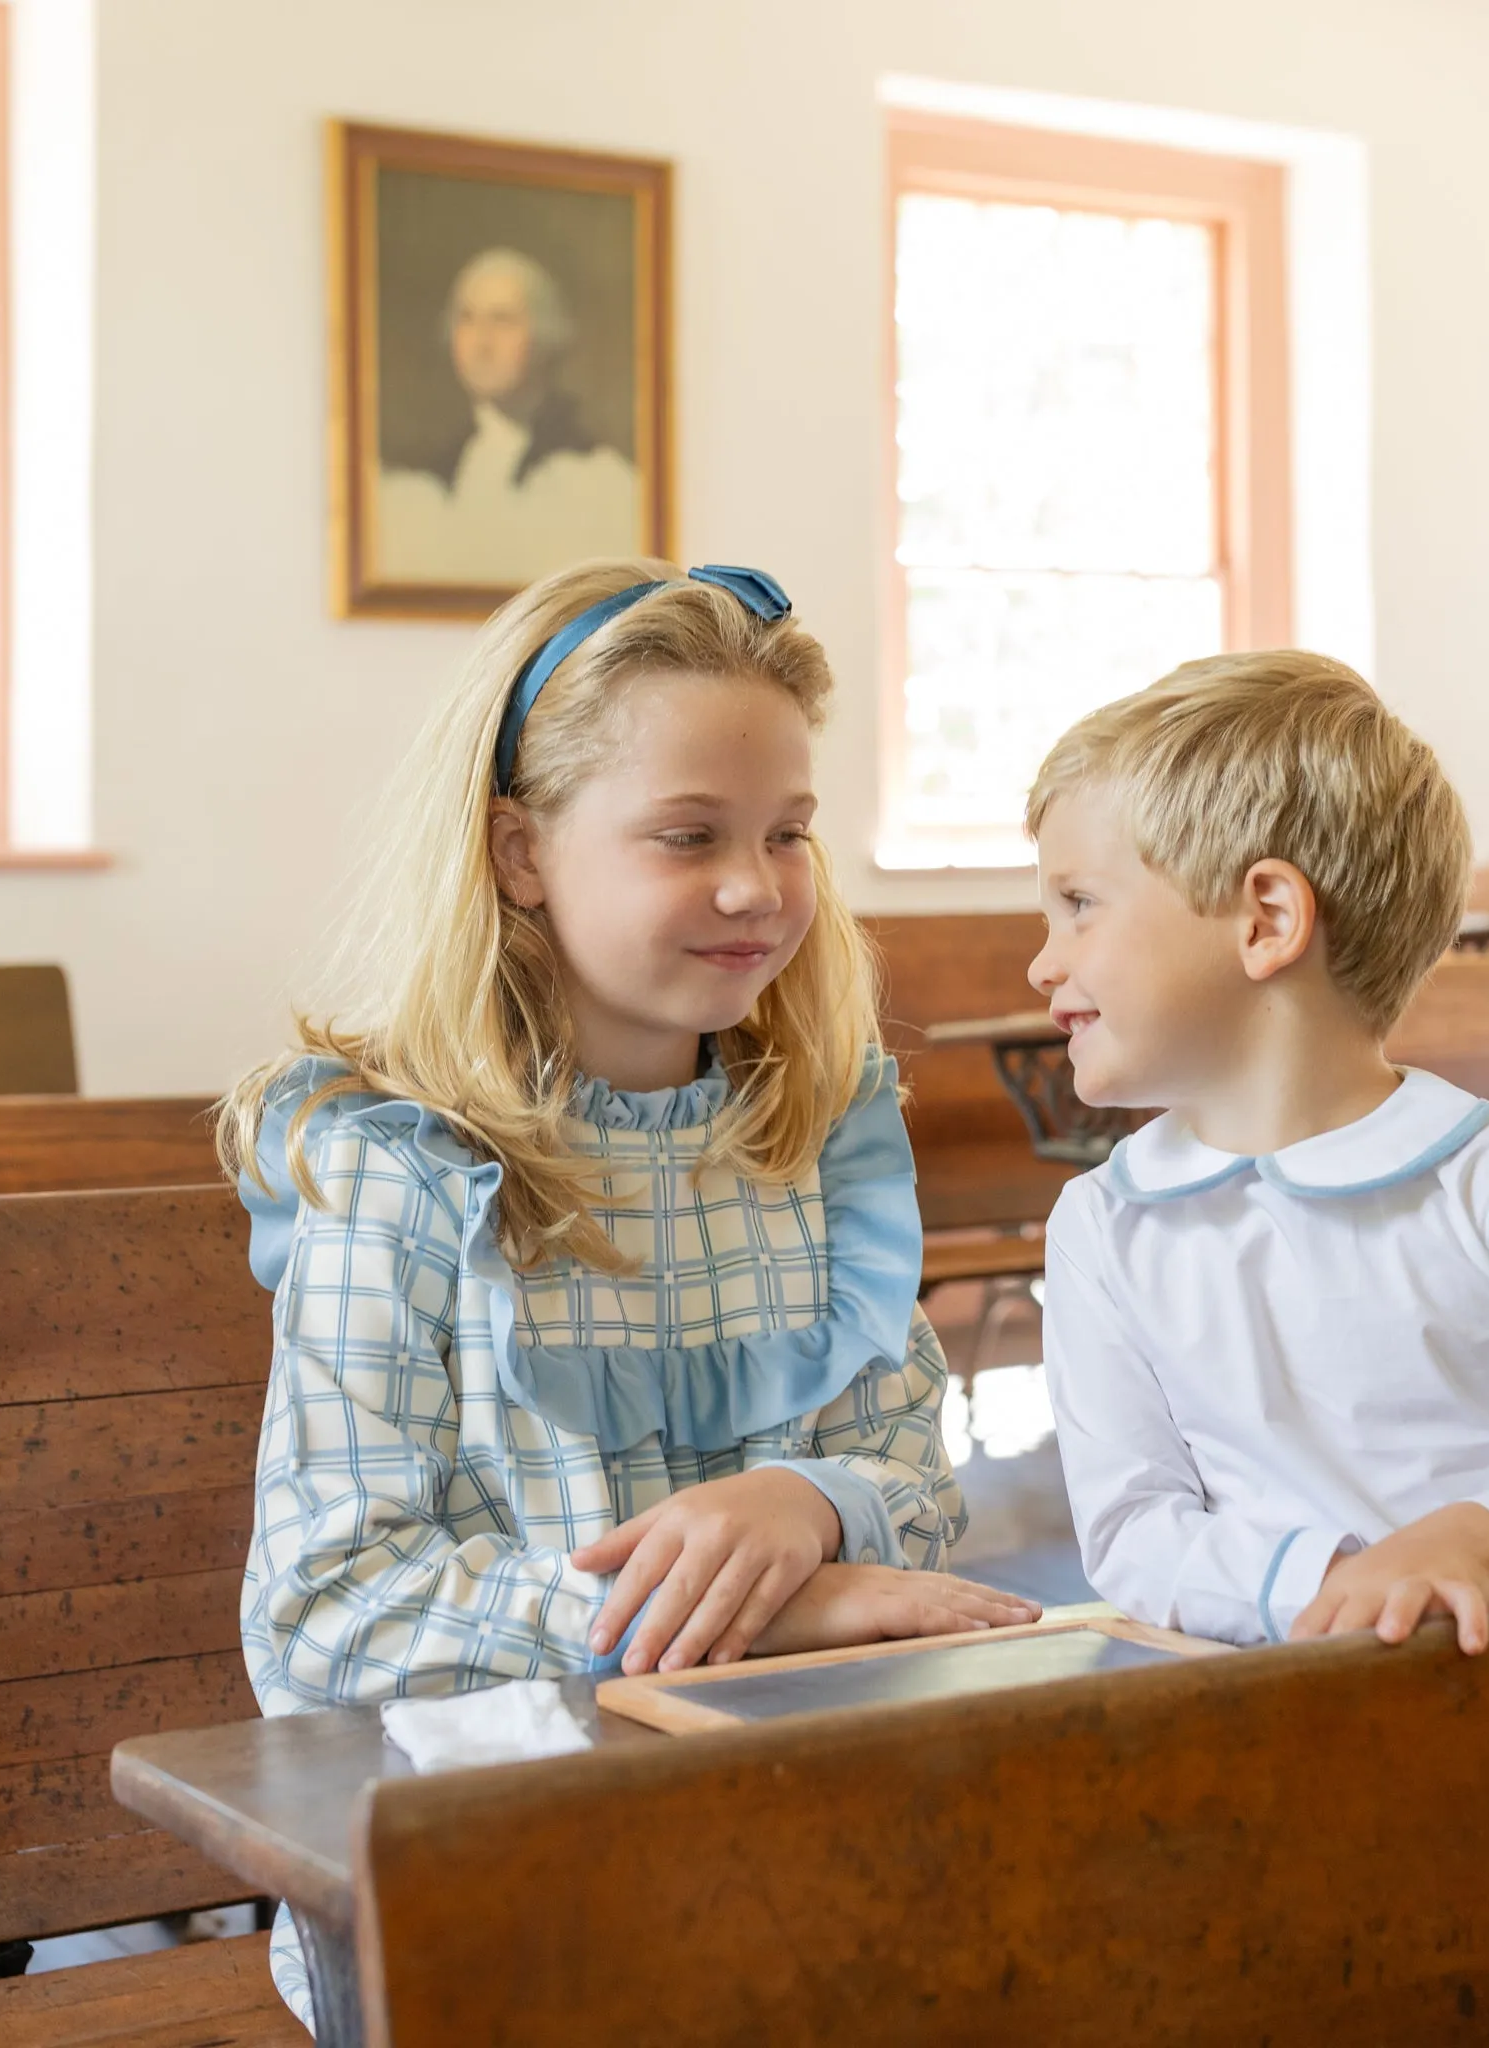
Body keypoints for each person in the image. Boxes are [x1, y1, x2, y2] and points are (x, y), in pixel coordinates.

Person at [220, 558, 1036, 2029]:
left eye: (788, 831)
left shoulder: (813, 1135)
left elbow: (913, 1471)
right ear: (521, 852)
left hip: (798, 1835)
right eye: (687, 836)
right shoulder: (397, 1172)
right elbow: (331, 1607)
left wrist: (807, 1508)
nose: (755, 886)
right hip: (483, 1873)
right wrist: (749, 1618)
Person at [1026, 650, 1489, 2047]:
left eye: (1076, 904)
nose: (1042, 959)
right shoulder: (1104, 1227)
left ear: (1267, 918)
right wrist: (1340, 1582)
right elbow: (1135, 1532)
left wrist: (1484, 1537)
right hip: (1256, 1770)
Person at [375, 248, 640, 586]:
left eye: (502, 320)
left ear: (545, 336)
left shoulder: (599, 476)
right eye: (467, 319)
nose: (482, 342)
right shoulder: (423, 479)